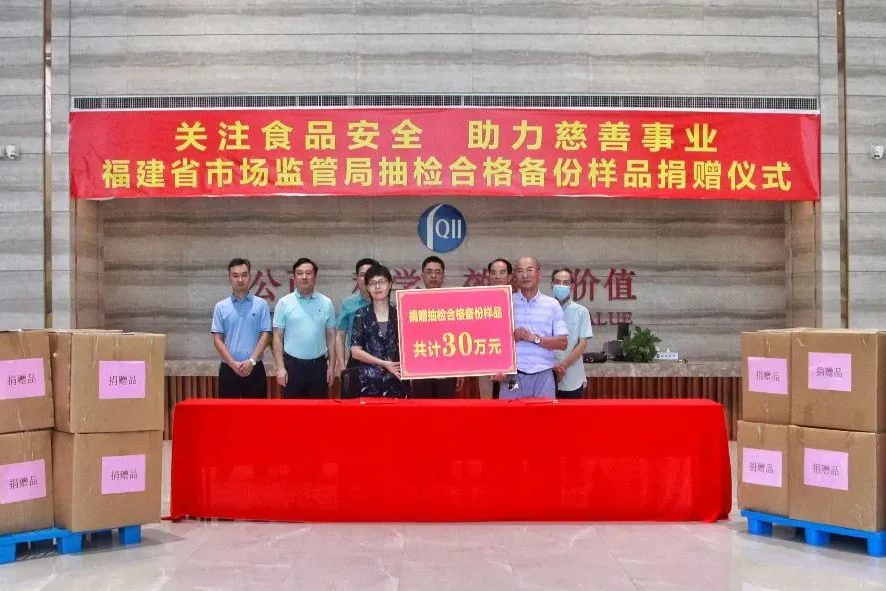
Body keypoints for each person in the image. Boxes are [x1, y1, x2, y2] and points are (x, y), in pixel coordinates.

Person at [272, 258, 336, 398]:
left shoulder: (326, 303)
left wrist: (331, 367)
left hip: (318, 367)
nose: (304, 277)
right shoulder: (284, 303)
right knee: (292, 410)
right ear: (294, 277)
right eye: (300, 273)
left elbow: (331, 336)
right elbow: (277, 337)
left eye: (308, 273)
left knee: (319, 409)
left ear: (315, 276)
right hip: (292, 367)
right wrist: (280, 368)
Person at [505, 256, 567, 399]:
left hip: (543, 376)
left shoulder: (552, 305)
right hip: (513, 376)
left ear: (539, 274)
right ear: (515, 275)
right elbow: (494, 339)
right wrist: (511, 337)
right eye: (520, 271)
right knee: (510, 413)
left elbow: (562, 343)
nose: (525, 275)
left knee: (544, 414)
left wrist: (533, 338)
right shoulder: (506, 301)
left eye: (529, 270)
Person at [211, 258, 272, 398]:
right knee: (228, 411)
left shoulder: (261, 304)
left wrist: (251, 361)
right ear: (229, 278)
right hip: (228, 369)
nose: (240, 279)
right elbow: (217, 339)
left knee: (256, 411)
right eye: (235, 275)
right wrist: (232, 363)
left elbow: (265, 335)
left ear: (250, 277)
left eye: (244, 275)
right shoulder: (220, 307)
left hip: (255, 368)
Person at [350, 264, 408, 397]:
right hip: (370, 381)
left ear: (390, 284)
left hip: (397, 380)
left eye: (381, 282)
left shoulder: (401, 313)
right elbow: (355, 352)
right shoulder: (361, 314)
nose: (377, 287)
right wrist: (383, 363)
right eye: (372, 283)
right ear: (367, 287)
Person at [411, 255, 460, 398]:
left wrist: (460, 370)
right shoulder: (411, 302)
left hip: (447, 369)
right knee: (422, 409)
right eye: (429, 272)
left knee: (445, 409)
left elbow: (458, 337)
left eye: (437, 272)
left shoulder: (453, 304)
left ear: (443, 276)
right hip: (420, 369)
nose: (433, 276)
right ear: (422, 275)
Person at [335, 258, 379, 396]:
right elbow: (340, 335)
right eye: (362, 274)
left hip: (380, 361)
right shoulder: (348, 304)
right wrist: (341, 364)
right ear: (357, 278)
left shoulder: (387, 305)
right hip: (355, 361)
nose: (366, 278)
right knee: (352, 403)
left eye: (370, 274)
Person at [551, 268, 593, 399]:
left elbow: (582, 344)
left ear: (572, 286)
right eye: (557, 282)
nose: (561, 286)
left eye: (565, 283)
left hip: (572, 377)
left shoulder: (581, 311)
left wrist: (562, 366)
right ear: (552, 284)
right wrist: (554, 369)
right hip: (547, 375)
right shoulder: (544, 309)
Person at [482, 258, 514, 399]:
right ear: (489, 276)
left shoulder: (517, 303)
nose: (497, 276)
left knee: (510, 405)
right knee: (487, 403)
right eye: (493, 273)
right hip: (485, 363)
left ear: (509, 277)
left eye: (502, 272)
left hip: (511, 367)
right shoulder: (479, 302)